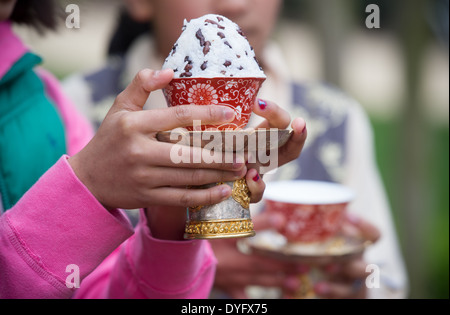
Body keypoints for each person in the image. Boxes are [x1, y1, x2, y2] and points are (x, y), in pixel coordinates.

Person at [63, 0, 408, 299]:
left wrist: (356, 284)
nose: (234, 5)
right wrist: (182, 256)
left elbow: (388, 279)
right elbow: (49, 278)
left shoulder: (337, 120)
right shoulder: (72, 106)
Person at [0, 0, 307, 298]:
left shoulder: (50, 105)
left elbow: (94, 291)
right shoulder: (74, 103)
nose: (234, 4)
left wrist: (172, 214)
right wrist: (88, 183)